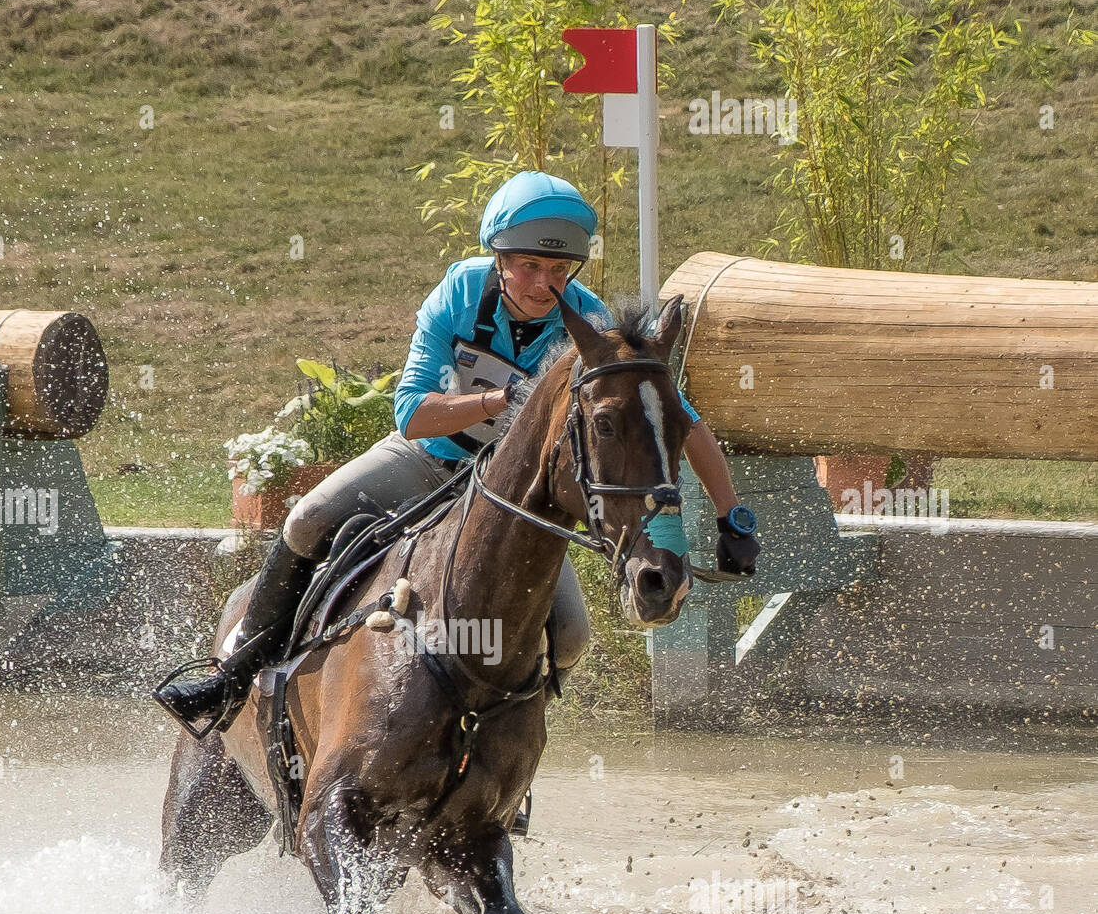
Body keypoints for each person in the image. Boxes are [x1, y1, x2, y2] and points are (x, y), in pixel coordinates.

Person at [156, 170, 759, 730]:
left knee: (572, 635)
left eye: (559, 268)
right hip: (427, 461)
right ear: (498, 260)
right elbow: (413, 414)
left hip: (512, 497)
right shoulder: (461, 293)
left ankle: (509, 741)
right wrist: (504, 400)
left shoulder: (592, 327)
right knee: (307, 518)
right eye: (528, 265)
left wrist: (733, 516)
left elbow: (684, 422)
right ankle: (233, 675)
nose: (546, 283)